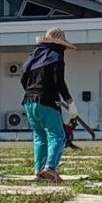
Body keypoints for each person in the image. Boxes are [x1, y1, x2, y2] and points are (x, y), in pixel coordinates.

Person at [21, 27, 78, 183]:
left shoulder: (33, 57)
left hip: (29, 101)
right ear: (59, 44)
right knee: (57, 135)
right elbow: (58, 81)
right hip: (46, 102)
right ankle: (50, 168)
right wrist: (69, 102)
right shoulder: (56, 56)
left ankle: (38, 170)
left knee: (39, 136)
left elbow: (23, 79)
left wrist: (33, 92)